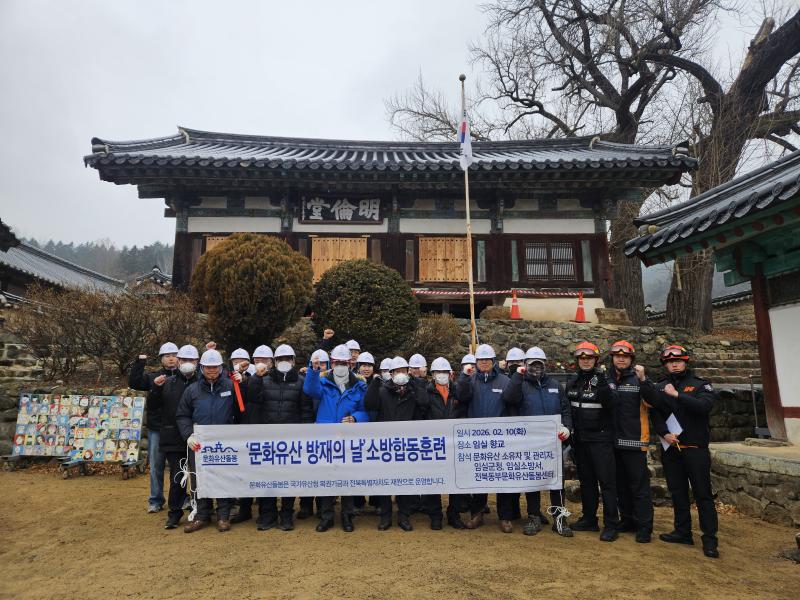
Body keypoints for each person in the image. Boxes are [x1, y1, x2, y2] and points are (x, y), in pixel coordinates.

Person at [651, 345, 719, 558]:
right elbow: (656, 413)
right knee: (677, 492)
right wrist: (664, 433)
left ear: (686, 361)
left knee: (702, 495)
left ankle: (710, 540)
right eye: (669, 361)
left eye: (678, 360)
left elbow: (703, 407)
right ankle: (682, 531)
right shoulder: (660, 386)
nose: (674, 363)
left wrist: (678, 395)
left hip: (695, 448)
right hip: (671, 447)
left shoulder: (700, 385)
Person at [503, 347, 573, 537]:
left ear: (545, 365)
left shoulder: (555, 385)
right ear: (525, 365)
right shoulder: (520, 384)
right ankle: (533, 516)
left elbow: (565, 409)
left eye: (539, 364)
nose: (536, 368)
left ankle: (559, 518)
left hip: (554, 443)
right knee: (532, 481)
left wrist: (567, 427)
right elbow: (508, 398)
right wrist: (518, 377)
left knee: (557, 481)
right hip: (530, 444)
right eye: (532, 365)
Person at [245, 344, 313, 532]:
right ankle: (267, 514)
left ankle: (286, 514)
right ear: (274, 362)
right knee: (268, 478)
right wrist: (257, 378)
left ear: (293, 361)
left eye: (287, 359)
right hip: (268, 439)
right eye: (280, 359)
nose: (284, 362)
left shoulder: (301, 382)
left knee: (288, 478)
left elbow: (306, 410)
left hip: (291, 440)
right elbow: (252, 398)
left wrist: (305, 434)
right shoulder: (264, 380)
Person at [303, 343, 368, 532]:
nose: (340, 366)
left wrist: (356, 418)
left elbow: (365, 411)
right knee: (326, 478)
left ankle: (348, 516)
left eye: (344, 363)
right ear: (331, 363)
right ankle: (326, 516)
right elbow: (310, 390)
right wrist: (313, 370)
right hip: (325, 438)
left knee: (347, 478)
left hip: (348, 438)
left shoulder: (360, 386)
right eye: (337, 362)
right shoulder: (323, 382)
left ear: (350, 364)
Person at [176, 349, 241, 533]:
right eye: (208, 368)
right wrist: (188, 435)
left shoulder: (230, 386)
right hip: (199, 443)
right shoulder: (192, 390)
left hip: (224, 442)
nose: (212, 371)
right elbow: (182, 415)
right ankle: (202, 515)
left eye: (215, 367)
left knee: (223, 478)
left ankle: (223, 516)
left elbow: (241, 411)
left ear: (221, 368)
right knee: (199, 479)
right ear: (202, 368)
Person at [457, 343, 515, 529]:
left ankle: (505, 517)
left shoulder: (505, 382)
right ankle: (477, 513)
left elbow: (512, 405)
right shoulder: (470, 380)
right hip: (476, 438)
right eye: (480, 360)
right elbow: (462, 397)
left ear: (493, 361)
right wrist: (464, 378)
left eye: (487, 360)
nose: (484, 363)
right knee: (478, 477)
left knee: (502, 478)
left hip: (500, 438)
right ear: (475, 362)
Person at [608, 340, 661, 543]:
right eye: (617, 355)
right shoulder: (607, 378)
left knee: (639, 488)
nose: (621, 359)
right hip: (613, 442)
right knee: (620, 486)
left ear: (631, 359)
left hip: (635, 442)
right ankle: (627, 519)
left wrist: (644, 379)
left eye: (625, 356)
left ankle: (644, 526)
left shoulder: (639, 379)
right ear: (612, 357)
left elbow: (654, 402)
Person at [365, 356, 426, 531]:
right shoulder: (383, 390)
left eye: (403, 371)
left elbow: (424, 403)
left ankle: (404, 516)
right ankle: (385, 516)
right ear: (390, 374)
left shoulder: (413, 391)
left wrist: (416, 383)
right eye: (397, 371)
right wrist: (375, 384)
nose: (400, 374)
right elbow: (370, 404)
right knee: (385, 481)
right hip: (385, 443)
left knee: (404, 481)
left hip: (406, 443)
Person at [566, 341, 619, 542]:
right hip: (580, 440)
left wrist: (604, 384)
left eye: (589, 358)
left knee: (607, 483)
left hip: (601, 439)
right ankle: (589, 519)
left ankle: (611, 524)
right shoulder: (572, 381)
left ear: (596, 360)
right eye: (582, 358)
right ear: (577, 360)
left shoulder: (605, 380)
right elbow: (568, 408)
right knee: (586, 481)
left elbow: (613, 403)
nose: (585, 361)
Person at [148, 344, 199, 530]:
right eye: (184, 360)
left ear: (197, 362)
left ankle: (199, 509)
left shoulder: (202, 382)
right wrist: (155, 389)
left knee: (199, 477)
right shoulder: (167, 383)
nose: (187, 363)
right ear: (178, 361)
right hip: (174, 438)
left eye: (191, 360)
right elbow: (153, 407)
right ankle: (174, 513)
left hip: (198, 438)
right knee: (177, 477)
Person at [418, 357, 470, 530]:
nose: (441, 375)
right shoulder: (426, 392)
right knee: (434, 480)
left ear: (450, 374)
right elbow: (422, 415)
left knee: (456, 479)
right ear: (432, 375)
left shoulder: (457, 391)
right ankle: (435, 515)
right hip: (434, 444)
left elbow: (464, 411)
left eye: (444, 372)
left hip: (455, 443)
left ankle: (453, 514)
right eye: (438, 372)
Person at [128, 341, 178, 513]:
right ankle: (156, 499)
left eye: (174, 355)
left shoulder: (185, 376)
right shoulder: (152, 377)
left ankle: (181, 498)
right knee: (156, 465)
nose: (171, 359)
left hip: (178, 428)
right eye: (167, 356)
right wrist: (140, 362)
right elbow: (134, 382)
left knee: (179, 466)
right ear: (161, 359)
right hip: (157, 428)